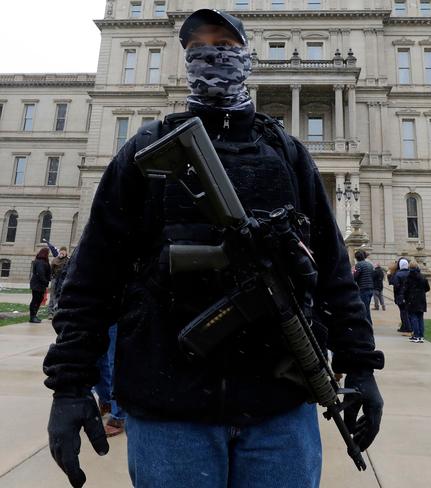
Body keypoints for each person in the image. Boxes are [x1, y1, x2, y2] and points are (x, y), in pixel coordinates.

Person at [43, 9, 383, 488]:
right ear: (186, 61)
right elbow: (93, 278)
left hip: (278, 407)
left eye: (224, 44)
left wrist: (360, 367)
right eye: (198, 47)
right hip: (168, 407)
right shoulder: (146, 152)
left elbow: (332, 273)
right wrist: (70, 384)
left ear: (246, 57)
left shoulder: (285, 154)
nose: (212, 56)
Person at [401, 261, 430, 343]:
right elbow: (427, 288)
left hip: (412, 300)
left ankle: (416, 335)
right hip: (421, 299)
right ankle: (421, 336)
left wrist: (405, 297)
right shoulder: (422, 277)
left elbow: (405, 290)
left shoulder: (409, 277)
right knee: (420, 318)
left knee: (413, 317)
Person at [29, 248, 51, 323]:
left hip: (39, 284)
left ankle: (34, 315)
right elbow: (40, 273)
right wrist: (46, 281)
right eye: (48, 253)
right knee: (36, 300)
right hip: (38, 284)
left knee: (38, 299)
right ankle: (32, 317)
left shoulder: (41, 261)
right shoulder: (41, 262)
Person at [390, 257, 411, 334]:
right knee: (407, 312)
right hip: (409, 295)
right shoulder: (410, 273)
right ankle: (404, 326)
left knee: (403, 312)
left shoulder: (398, 274)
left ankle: (407, 327)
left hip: (401, 295)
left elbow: (396, 285)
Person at [353, 250, 375, 325]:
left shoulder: (358, 265)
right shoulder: (370, 265)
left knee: (364, 307)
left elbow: (355, 277)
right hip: (371, 288)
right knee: (367, 307)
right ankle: (368, 322)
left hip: (363, 288)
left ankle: (367, 323)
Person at [48, 246, 69, 319]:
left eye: (64, 251)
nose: (62, 252)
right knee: (52, 296)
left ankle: (58, 312)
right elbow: (51, 270)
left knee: (60, 296)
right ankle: (51, 312)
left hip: (63, 280)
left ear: (66, 252)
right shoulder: (55, 260)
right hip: (55, 279)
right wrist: (53, 277)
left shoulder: (67, 261)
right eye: (61, 251)